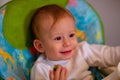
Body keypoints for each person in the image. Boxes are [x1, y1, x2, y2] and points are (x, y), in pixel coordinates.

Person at [30, 4, 120, 80]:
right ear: (40, 46)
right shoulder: (41, 68)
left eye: (71, 35)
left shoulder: (81, 50)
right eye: (58, 38)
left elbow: (109, 54)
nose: (67, 43)